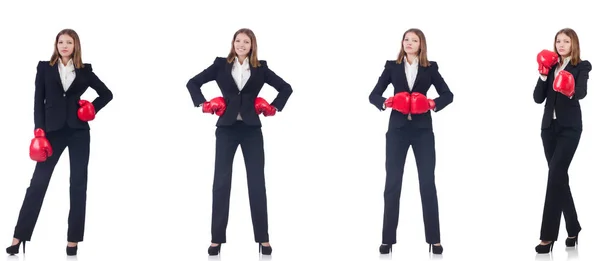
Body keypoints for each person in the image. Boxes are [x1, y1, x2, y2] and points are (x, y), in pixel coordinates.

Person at [5, 28, 113, 257]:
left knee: (78, 184)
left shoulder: (85, 71)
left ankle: (73, 241)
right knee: (38, 183)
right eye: (61, 42)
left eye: (69, 42)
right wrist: (39, 130)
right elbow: (38, 100)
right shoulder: (45, 68)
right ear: (56, 45)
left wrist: (92, 107)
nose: (64, 46)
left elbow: (107, 94)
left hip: (78, 132)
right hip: (51, 133)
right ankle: (18, 237)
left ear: (76, 46)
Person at [185, 28, 293, 256]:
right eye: (238, 40)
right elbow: (192, 83)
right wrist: (203, 104)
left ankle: (263, 238)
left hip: (252, 130)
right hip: (226, 130)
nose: (241, 44)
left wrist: (273, 107)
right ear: (232, 43)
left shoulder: (260, 68)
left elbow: (286, 88)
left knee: (256, 183)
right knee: (221, 183)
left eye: (246, 41)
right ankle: (216, 239)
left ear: (252, 45)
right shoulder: (220, 65)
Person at [368, 28, 453, 255]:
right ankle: (387, 240)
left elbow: (448, 94)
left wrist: (431, 103)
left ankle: (434, 240)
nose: (409, 42)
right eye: (406, 39)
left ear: (421, 45)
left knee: (427, 183)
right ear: (402, 42)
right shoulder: (392, 67)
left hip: (423, 131)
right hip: (397, 131)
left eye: (414, 40)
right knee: (392, 183)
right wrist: (388, 101)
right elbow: (374, 95)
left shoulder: (429, 68)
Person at [533, 28, 592, 254]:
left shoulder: (581, 66)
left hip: (570, 128)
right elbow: (538, 99)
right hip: (549, 128)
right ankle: (574, 227)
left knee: (554, 175)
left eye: (566, 41)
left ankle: (547, 237)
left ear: (573, 44)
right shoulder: (549, 65)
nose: (561, 44)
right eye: (558, 41)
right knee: (559, 178)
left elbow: (582, 92)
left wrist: (569, 88)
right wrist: (542, 74)